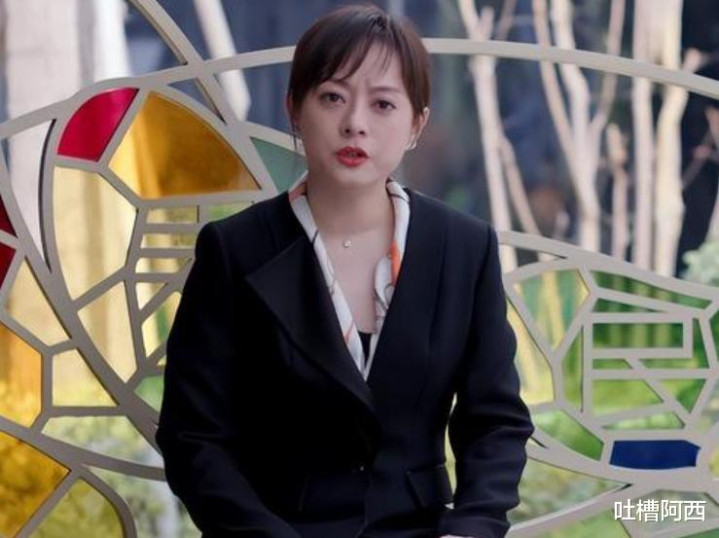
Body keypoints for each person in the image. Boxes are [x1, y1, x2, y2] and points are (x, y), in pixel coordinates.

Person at [156, 4, 533, 538]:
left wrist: (471, 527)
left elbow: (495, 421)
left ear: (416, 124)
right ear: (294, 107)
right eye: (333, 97)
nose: (355, 122)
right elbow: (194, 437)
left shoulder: (463, 248)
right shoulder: (235, 250)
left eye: (383, 104)